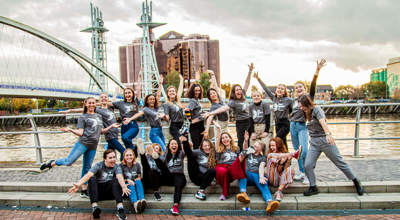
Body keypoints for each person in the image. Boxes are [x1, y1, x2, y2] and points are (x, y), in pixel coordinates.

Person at [40, 97, 119, 198]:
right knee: (69, 161)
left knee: (87, 167)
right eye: (89, 103)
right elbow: (81, 133)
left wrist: (111, 126)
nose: (91, 105)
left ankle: (84, 190)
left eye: (93, 103)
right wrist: (70, 130)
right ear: (86, 104)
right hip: (83, 143)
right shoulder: (83, 117)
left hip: (93, 145)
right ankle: (52, 163)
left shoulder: (99, 116)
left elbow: (101, 131)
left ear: (96, 104)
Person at [298, 95, 364, 196]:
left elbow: (322, 122)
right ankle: (313, 187)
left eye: (302, 106)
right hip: (314, 142)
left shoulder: (316, 109)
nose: (301, 108)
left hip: (325, 140)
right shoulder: (305, 113)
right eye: (300, 106)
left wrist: (328, 134)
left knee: (339, 162)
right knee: (308, 165)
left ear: (308, 104)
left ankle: (355, 181)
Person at [290, 59, 326, 185]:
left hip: (302, 126)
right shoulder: (294, 100)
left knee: (304, 150)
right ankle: (301, 171)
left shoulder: (308, 98)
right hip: (292, 125)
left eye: (300, 87)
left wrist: (316, 71)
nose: (298, 89)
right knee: (297, 151)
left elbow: (313, 86)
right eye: (296, 87)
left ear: (304, 88)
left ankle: (307, 173)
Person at [202, 63, 254, 151]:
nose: (239, 91)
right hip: (228, 125)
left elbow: (247, 82)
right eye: (236, 90)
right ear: (234, 92)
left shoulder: (223, 100)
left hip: (246, 121)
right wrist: (207, 128)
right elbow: (220, 111)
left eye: (239, 89)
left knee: (248, 140)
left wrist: (250, 71)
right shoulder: (230, 102)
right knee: (225, 143)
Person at [67, 149, 129, 220]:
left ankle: (120, 209)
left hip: (110, 193)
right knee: (92, 178)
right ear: (105, 159)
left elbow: (119, 176)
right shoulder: (99, 165)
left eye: (114, 157)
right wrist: (78, 184)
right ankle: (95, 208)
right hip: (98, 194)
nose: (113, 160)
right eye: (110, 158)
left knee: (116, 180)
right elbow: (88, 175)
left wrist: (124, 187)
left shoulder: (117, 167)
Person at [61, 93, 126, 161]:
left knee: (110, 155)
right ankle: (123, 165)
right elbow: (84, 108)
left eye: (105, 97)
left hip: (115, 134)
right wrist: (70, 110)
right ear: (99, 100)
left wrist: (115, 94)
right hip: (110, 135)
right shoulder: (98, 110)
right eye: (102, 97)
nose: (104, 98)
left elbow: (113, 101)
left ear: (108, 99)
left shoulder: (111, 108)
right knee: (123, 151)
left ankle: (108, 169)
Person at [236, 131, 280, 214]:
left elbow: (261, 167)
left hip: (257, 175)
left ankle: (270, 202)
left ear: (261, 149)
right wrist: (246, 140)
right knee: (242, 172)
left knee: (263, 182)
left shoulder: (262, 157)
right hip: (247, 176)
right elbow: (244, 149)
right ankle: (243, 193)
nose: (254, 145)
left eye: (257, 144)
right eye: (254, 144)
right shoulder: (249, 153)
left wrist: (261, 177)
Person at [254, 72, 292, 147]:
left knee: (277, 139)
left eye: (282, 89)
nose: (280, 90)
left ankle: (285, 156)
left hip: (285, 123)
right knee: (282, 142)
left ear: (284, 92)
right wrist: (258, 79)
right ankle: (286, 157)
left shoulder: (288, 100)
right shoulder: (274, 98)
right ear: (276, 90)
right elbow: (266, 89)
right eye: (278, 88)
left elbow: (293, 110)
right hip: (277, 123)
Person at [125, 85, 167, 151]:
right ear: (147, 101)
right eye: (150, 99)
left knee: (162, 151)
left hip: (160, 131)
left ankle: (157, 160)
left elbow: (158, 96)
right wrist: (130, 119)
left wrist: (160, 83)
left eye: (153, 99)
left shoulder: (156, 108)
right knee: (163, 149)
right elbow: (138, 114)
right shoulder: (146, 109)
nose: (152, 100)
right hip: (154, 132)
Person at [155, 139, 187, 215]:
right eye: (172, 144)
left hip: (179, 176)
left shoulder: (181, 153)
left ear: (178, 145)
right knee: (163, 168)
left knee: (178, 184)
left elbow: (187, 149)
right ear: (169, 146)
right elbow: (161, 167)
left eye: (175, 144)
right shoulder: (166, 154)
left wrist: (184, 141)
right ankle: (156, 158)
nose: (174, 145)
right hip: (169, 176)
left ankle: (175, 206)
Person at [181, 136, 216, 200]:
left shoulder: (214, 154)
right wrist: (185, 142)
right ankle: (185, 139)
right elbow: (188, 153)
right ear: (202, 147)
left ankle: (200, 191)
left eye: (208, 145)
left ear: (211, 146)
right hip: (196, 177)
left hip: (206, 178)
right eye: (205, 146)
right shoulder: (198, 152)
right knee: (191, 158)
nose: (207, 147)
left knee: (212, 170)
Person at [215, 132, 246, 200]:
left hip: (233, 167)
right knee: (224, 171)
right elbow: (217, 140)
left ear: (230, 139)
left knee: (241, 158)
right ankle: (224, 194)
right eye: (222, 138)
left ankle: (243, 190)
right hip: (222, 167)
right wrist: (219, 130)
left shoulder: (236, 148)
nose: (224, 139)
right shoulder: (219, 149)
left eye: (226, 137)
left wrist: (246, 140)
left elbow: (239, 160)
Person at [111, 87, 141, 153]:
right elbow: (111, 103)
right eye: (126, 93)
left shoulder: (135, 102)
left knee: (125, 137)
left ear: (133, 94)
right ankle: (132, 155)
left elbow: (139, 91)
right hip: (124, 126)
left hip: (133, 125)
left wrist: (139, 78)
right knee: (126, 144)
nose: (127, 94)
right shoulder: (121, 103)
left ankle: (133, 149)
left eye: (129, 93)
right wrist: (115, 93)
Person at [265, 137, 295, 201]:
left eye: (273, 145)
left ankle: (279, 192)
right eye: (270, 145)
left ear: (278, 145)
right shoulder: (269, 154)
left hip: (282, 180)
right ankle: (294, 154)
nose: (271, 147)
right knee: (271, 160)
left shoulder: (285, 154)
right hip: (272, 178)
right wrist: (281, 161)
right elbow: (272, 157)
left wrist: (287, 161)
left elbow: (284, 170)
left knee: (290, 169)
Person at [120, 148, 146, 214]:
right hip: (126, 185)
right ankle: (135, 205)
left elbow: (139, 176)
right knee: (130, 185)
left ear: (133, 156)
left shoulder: (137, 165)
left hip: (135, 183)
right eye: (127, 155)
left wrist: (137, 179)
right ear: (124, 157)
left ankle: (142, 200)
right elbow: (120, 178)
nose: (129, 157)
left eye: (130, 155)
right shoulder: (121, 166)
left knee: (138, 181)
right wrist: (128, 180)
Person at [163, 73, 185, 143]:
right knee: (179, 141)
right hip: (174, 126)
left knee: (184, 142)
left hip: (182, 125)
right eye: (170, 91)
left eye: (173, 91)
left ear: (175, 93)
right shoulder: (166, 104)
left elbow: (180, 89)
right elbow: (167, 117)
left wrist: (181, 80)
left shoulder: (178, 101)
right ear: (167, 94)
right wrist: (164, 117)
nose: (171, 92)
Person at [185, 83, 205, 149]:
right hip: (195, 127)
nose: (197, 92)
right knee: (196, 145)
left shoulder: (197, 100)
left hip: (200, 125)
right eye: (196, 91)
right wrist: (191, 120)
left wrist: (204, 112)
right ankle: (196, 159)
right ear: (192, 91)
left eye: (199, 90)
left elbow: (197, 111)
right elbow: (187, 110)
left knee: (200, 145)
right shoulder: (193, 101)